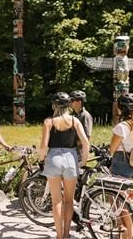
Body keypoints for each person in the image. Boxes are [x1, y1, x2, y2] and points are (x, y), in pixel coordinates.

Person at [38, 92, 89, 239]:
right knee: (69, 200)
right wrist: (84, 161)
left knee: (56, 201)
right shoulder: (75, 121)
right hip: (71, 159)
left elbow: (43, 145)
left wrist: (41, 158)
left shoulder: (49, 121)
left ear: (54, 105)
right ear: (69, 105)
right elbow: (85, 142)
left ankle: (59, 236)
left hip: (54, 158)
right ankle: (67, 233)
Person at [109, 93, 133, 239]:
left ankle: (128, 234)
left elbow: (112, 149)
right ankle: (123, 234)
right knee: (125, 201)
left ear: (121, 108)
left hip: (122, 164)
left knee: (119, 203)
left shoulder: (121, 127)